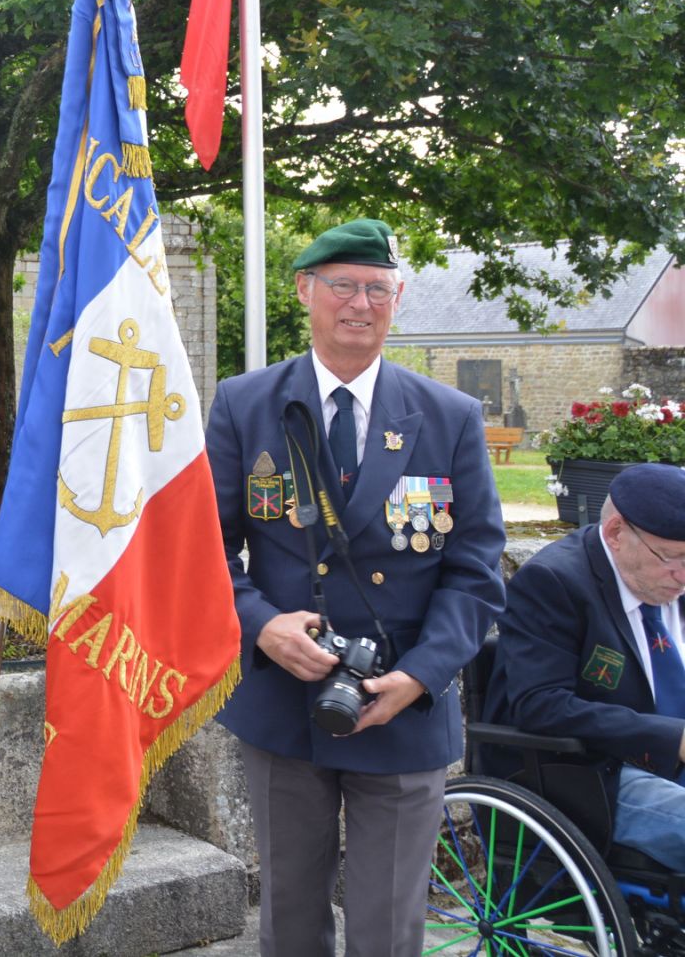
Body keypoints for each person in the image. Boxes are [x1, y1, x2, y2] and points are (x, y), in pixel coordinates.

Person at [206, 217, 505, 957]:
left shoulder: (449, 416)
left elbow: (475, 568)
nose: (360, 304)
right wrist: (261, 624)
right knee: (289, 918)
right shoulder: (245, 403)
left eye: (378, 289)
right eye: (342, 285)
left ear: (397, 300)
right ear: (304, 290)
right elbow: (204, 551)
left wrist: (422, 674)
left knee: (388, 929)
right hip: (284, 702)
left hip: (403, 704)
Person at [486, 463, 685, 869]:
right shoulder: (554, 582)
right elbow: (540, 705)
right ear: (616, 533)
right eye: (672, 558)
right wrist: (671, 737)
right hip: (595, 771)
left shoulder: (667, 578)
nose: (683, 576)